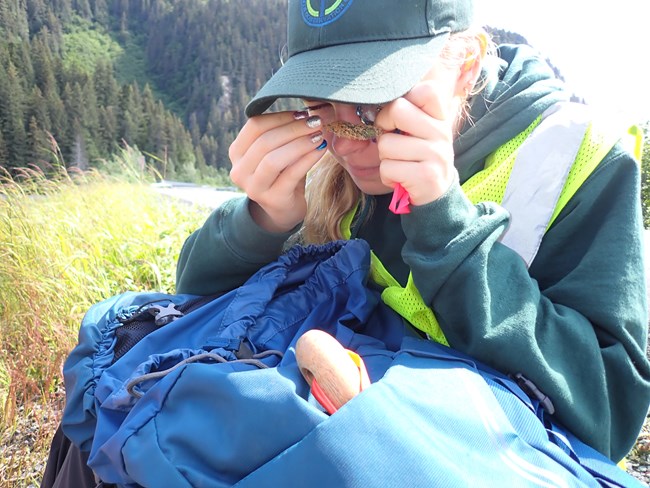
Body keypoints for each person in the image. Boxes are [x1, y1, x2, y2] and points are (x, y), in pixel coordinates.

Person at [175, 0, 650, 464]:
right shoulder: (321, 172)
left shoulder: (578, 158)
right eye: (319, 107)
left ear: (465, 64)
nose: (342, 147)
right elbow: (192, 313)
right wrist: (259, 223)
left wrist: (448, 228)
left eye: (371, 108)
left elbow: (607, 417)